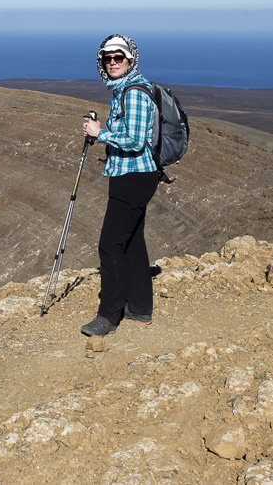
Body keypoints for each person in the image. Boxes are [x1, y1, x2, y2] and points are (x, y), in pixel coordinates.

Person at [79, 34, 158, 337]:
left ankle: (108, 315)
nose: (112, 62)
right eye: (107, 58)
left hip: (133, 178)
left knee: (110, 245)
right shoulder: (121, 90)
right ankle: (140, 308)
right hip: (130, 176)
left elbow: (136, 141)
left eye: (118, 57)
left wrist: (101, 135)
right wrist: (102, 131)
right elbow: (128, 131)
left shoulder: (134, 93)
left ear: (130, 59)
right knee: (132, 243)